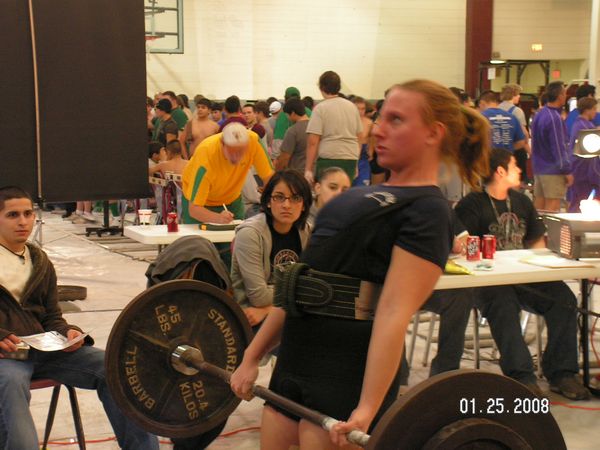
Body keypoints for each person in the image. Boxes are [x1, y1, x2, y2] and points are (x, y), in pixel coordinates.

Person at [230, 79, 490, 449]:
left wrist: (367, 407)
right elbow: (295, 288)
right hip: (295, 363)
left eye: (396, 120)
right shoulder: (352, 199)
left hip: (346, 373)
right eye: (381, 118)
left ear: (433, 133)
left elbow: (393, 312)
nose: (378, 130)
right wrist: (251, 357)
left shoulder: (429, 210)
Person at [0, 186, 159, 449]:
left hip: (45, 350)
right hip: (7, 356)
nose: (23, 222)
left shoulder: (39, 260)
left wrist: (67, 333)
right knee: (10, 386)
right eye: (13, 215)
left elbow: (52, 315)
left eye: (28, 213)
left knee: (115, 368)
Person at [455, 148, 590, 400]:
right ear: (500, 171)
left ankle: (561, 372)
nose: (520, 169)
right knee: (503, 303)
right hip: (487, 282)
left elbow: (536, 243)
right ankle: (522, 377)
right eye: (515, 165)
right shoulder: (471, 205)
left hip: (523, 277)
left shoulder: (522, 202)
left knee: (564, 299)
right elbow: (462, 249)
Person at [232, 170, 312, 330]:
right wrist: (301, 289)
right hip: (250, 317)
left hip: (286, 313)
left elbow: (315, 288)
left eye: (295, 198)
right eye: (279, 197)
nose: (286, 205)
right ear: (268, 201)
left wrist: (268, 310)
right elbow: (259, 297)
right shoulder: (250, 234)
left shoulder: (306, 232)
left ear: (304, 205)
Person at [181, 122, 274, 224]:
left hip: (232, 199)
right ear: (222, 143)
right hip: (201, 204)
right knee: (198, 234)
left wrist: (269, 205)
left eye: (240, 152)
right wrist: (217, 218)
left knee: (239, 232)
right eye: (232, 151)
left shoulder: (253, 141)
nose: (236, 157)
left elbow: (269, 177)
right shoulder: (206, 156)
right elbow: (194, 209)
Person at [305, 71, 363, 183]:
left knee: (327, 192)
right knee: (344, 192)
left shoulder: (320, 108)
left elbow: (313, 141)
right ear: (339, 87)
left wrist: (308, 169)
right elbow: (359, 137)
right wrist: (356, 162)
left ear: (321, 87)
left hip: (328, 158)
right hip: (350, 158)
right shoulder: (352, 107)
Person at [531, 81, 572, 212]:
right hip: (553, 170)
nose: (566, 97)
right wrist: (566, 170)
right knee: (552, 210)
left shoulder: (539, 114)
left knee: (539, 208)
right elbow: (559, 147)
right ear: (560, 96)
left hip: (539, 169)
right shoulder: (554, 118)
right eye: (565, 94)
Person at [567, 96, 600, 212]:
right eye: (594, 109)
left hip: (578, 168)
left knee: (577, 201)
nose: (596, 112)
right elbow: (592, 152)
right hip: (585, 171)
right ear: (587, 110)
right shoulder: (585, 127)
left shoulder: (578, 124)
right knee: (582, 202)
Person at [275, 98, 310, 172]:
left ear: (293, 113)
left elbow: (285, 157)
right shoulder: (315, 127)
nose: (288, 118)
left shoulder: (293, 131)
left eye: (287, 115)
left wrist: (277, 172)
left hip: (297, 173)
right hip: (313, 171)